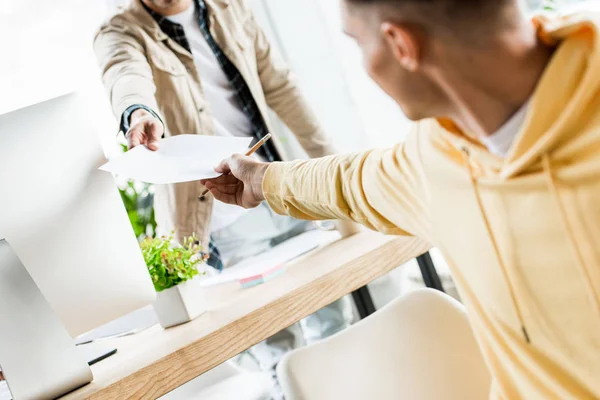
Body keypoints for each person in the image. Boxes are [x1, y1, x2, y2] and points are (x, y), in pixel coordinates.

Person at [201, 0, 600, 398]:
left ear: (400, 45)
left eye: (358, 43)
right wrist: (261, 179)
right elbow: (352, 181)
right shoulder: (439, 155)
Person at [94, 0, 353, 370]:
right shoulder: (121, 30)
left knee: (333, 320)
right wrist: (139, 111)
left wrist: (330, 170)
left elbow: (280, 87)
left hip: (278, 186)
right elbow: (124, 74)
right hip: (224, 216)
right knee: (279, 349)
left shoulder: (230, 7)